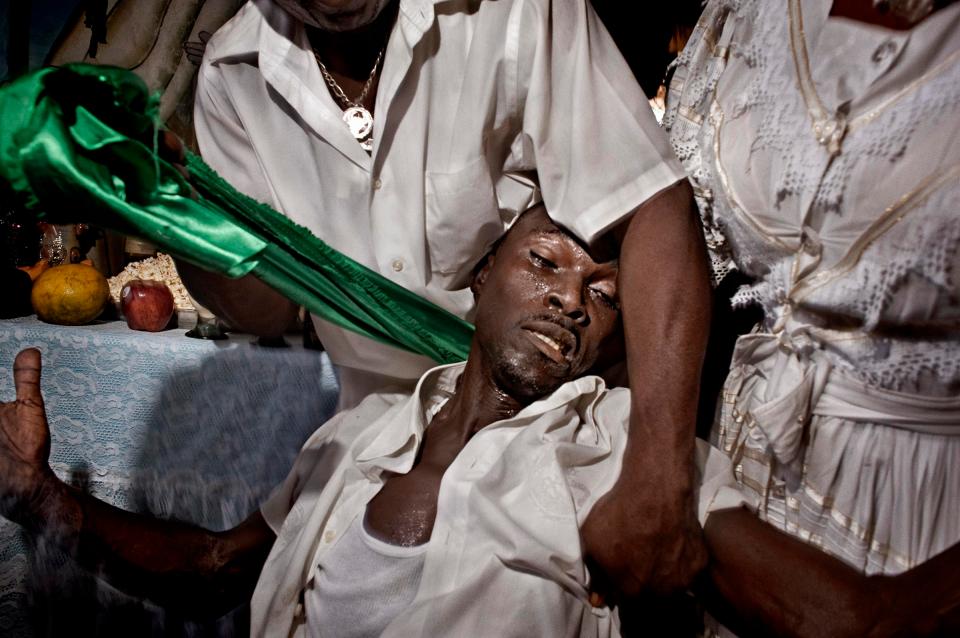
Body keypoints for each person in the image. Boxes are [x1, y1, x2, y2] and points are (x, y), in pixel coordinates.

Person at [3, 208, 957, 637]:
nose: (573, 302)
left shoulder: (624, 462)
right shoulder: (358, 438)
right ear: (475, 280)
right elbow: (213, 571)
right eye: (544, 263)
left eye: (604, 293)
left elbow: (854, 622)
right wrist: (40, 499)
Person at [179, 0, 711, 597]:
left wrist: (660, 480)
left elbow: (649, 200)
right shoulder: (234, 73)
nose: (569, 297)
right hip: (372, 433)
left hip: (535, 415)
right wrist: (180, 224)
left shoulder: (514, 12)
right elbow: (270, 308)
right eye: (541, 263)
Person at [663, 0, 960, 633]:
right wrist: (652, 464)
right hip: (729, 494)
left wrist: (900, 611)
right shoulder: (752, 14)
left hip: (921, 526)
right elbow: (670, 221)